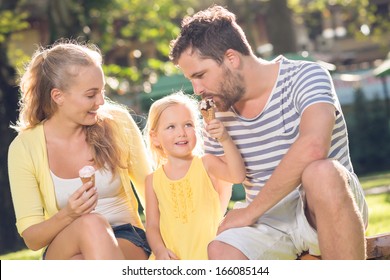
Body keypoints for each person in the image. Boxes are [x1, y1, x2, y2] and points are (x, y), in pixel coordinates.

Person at [169, 5, 369, 260]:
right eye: (191, 79)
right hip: (269, 223)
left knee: (322, 172)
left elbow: (314, 146)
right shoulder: (216, 112)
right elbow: (221, 178)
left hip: (324, 206)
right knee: (221, 250)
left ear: (231, 58)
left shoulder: (306, 75)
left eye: (200, 75)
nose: (196, 89)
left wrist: (251, 210)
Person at [8, 40, 152, 260]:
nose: (101, 101)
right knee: (90, 224)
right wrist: (70, 214)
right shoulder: (24, 148)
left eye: (102, 91)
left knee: (82, 261)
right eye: (91, 94)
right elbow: (32, 238)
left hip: (125, 236)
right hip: (65, 240)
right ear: (58, 97)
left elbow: (151, 193)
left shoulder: (117, 123)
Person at [143, 91, 246, 260]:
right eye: (171, 127)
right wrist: (160, 250)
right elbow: (152, 226)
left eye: (188, 124)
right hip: (171, 259)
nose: (181, 132)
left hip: (208, 256)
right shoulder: (152, 180)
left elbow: (237, 176)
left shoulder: (206, 164)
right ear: (155, 137)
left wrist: (225, 139)